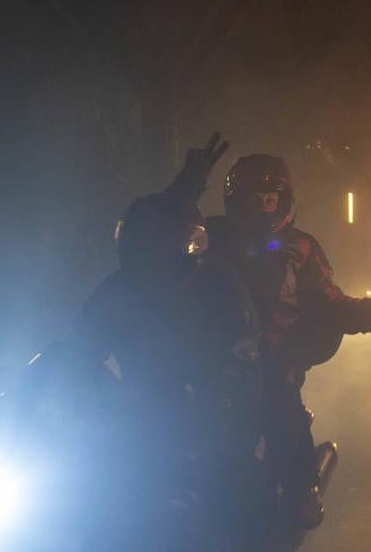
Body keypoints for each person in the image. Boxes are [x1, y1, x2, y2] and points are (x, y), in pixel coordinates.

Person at [172, 147, 371, 529]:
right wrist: (190, 180)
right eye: (250, 200)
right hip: (210, 360)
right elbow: (162, 230)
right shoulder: (211, 236)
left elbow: (332, 303)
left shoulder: (301, 249)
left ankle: (304, 491)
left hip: (273, 361)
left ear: (283, 201)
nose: (260, 210)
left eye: (268, 200)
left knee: (283, 417)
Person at [75, 138, 263, 507]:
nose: (153, 258)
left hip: (204, 424)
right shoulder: (118, 291)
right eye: (146, 246)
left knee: (246, 507)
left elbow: (241, 371)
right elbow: (78, 353)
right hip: (137, 420)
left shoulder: (218, 287)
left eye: (161, 248)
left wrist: (216, 436)